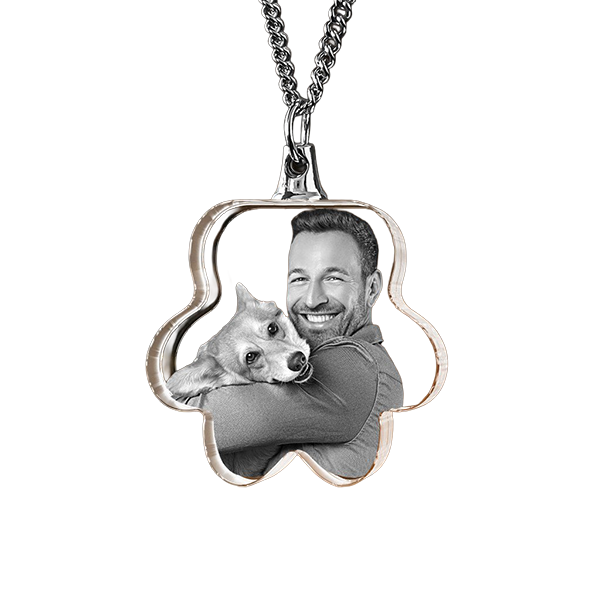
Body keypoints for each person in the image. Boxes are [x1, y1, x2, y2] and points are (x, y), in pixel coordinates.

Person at [199, 209, 403, 478]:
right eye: (299, 279)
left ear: (372, 288)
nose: (311, 300)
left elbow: (188, 422)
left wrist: (209, 368)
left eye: (333, 278)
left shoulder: (356, 369)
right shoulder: (310, 360)